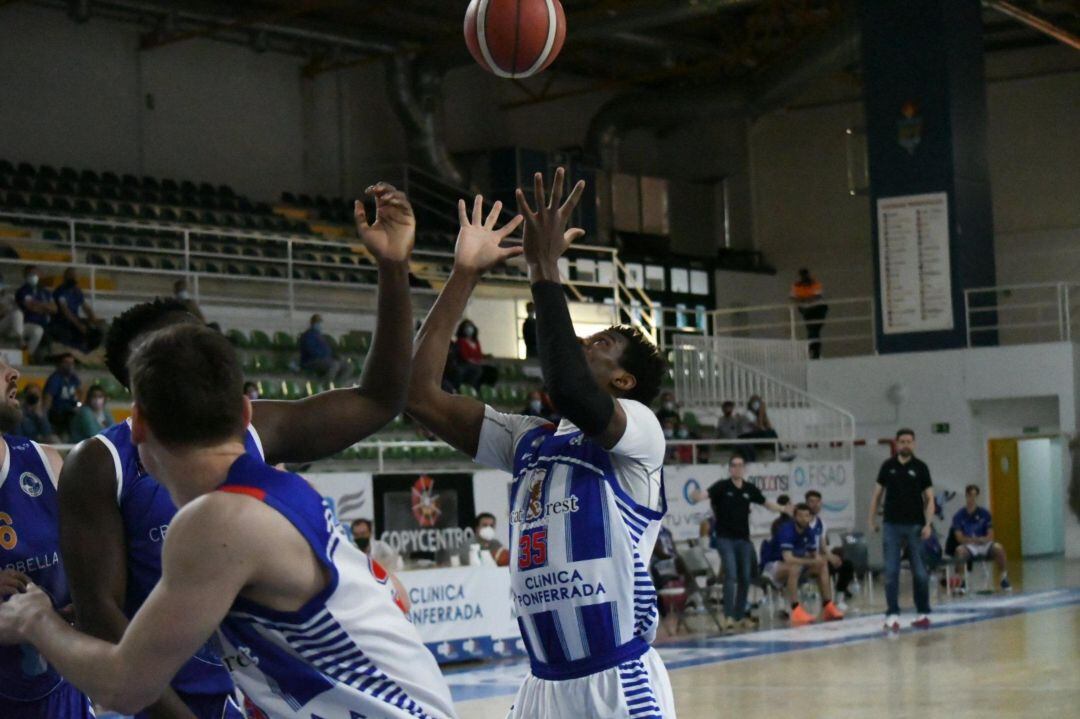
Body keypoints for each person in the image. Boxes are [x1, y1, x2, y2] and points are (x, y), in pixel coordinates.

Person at [57, 182, 417, 719]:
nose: (197, 361)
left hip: (244, 697)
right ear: (137, 400)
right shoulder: (98, 463)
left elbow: (380, 398)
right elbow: (101, 616)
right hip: (146, 704)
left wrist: (393, 267)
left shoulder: (252, 429)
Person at [0, 324, 457, 719]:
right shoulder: (283, 492)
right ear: (246, 412)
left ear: (135, 422)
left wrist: (36, 619)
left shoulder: (213, 524)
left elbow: (126, 685)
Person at [406, 171, 675, 718]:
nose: (583, 341)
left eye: (602, 342)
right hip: (540, 688)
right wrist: (463, 274)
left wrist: (542, 265)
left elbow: (570, 389)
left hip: (615, 681)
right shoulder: (529, 440)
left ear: (624, 383)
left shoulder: (641, 435)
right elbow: (416, 394)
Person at [0, 353, 94, 718]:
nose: (14, 375)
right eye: (0, 367)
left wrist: (87, 605)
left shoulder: (46, 460)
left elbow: (88, 572)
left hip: (60, 694)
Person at [691, 453, 784, 631]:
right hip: (725, 539)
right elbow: (704, 495)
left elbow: (765, 502)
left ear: (744, 468)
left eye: (740, 465)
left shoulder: (749, 489)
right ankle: (728, 616)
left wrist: (783, 509)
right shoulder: (722, 486)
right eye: (734, 465)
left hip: (744, 539)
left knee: (745, 578)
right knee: (731, 575)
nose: (737, 468)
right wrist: (696, 496)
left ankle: (740, 615)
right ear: (729, 468)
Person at [868, 428, 935, 631]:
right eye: (902, 441)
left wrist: (928, 523)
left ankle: (922, 611)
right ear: (897, 444)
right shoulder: (887, 466)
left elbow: (930, 498)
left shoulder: (921, 467)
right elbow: (877, 495)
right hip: (891, 525)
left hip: (915, 525)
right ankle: (892, 614)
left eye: (909, 441)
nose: (906, 444)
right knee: (891, 571)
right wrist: (871, 519)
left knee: (920, 572)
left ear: (914, 444)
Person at [771, 504, 845, 625]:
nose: (804, 519)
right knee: (795, 567)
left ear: (810, 517)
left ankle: (827, 605)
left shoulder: (809, 531)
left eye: (806, 516)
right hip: (774, 567)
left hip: (798, 566)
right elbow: (788, 559)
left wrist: (824, 558)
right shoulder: (786, 530)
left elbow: (814, 556)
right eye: (800, 516)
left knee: (822, 564)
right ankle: (795, 609)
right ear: (794, 517)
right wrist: (811, 561)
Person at [951, 484, 1010, 590]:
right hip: (969, 544)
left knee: (999, 548)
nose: (972, 499)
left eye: (975, 496)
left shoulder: (985, 514)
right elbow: (959, 537)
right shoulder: (958, 516)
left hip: (983, 543)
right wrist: (972, 540)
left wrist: (983, 539)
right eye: (970, 495)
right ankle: (961, 581)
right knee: (959, 551)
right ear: (966, 496)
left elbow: (990, 535)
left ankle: (1004, 578)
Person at [805, 490, 855, 605]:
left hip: (819, 558)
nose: (815, 504)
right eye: (812, 502)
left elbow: (823, 546)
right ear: (806, 503)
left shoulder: (821, 523)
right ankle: (826, 602)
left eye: (818, 502)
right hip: (806, 560)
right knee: (823, 564)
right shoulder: (801, 522)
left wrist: (831, 556)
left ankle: (839, 598)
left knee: (845, 564)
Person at [50, 267, 104, 353]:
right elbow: (65, 311)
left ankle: (87, 352)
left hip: (74, 319)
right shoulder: (60, 291)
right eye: (72, 276)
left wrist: (94, 319)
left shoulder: (76, 291)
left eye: (76, 277)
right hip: (61, 321)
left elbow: (86, 307)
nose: (74, 279)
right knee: (73, 332)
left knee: (96, 332)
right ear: (66, 277)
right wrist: (79, 325)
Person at [14, 265, 55, 360]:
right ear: (25, 275)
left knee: (40, 330)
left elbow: (54, 309)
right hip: (26, 324)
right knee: (37, 330)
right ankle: (23, 348)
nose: (34, 276)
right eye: (31, 274)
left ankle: (27, 355)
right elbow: (31, 307)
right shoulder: (23, 290)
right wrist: (45, 307)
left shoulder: (45, 292)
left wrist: (39, 305)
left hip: (42, 324)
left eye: (36, 273)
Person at [299, 313, 350, 384]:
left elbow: (328, 350)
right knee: (334, 365)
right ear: (312, 323)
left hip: (325, 360)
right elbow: (311, 351)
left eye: (319, 322)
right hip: (312, 361)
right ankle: (326, 385)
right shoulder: (308, 335)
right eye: (317, 322)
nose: (319, 324)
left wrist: (335, 356)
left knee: (347, 365)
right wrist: (325, 357)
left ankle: (339, 385)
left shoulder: (320, 336)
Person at [790, 268, 828, 359]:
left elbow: (817, 297)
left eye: (805, 275)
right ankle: (814, 351)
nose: (804, 278)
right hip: (807, 310)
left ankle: (813, 351)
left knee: (813, 330)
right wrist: (806, 301)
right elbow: (792, 298)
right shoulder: (797, 286)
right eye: (802, 276)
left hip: (818, 309)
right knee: (813, 331)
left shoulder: (815, 284)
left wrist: (804, 300)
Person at [42, 353, 80, 439]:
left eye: (72, 363)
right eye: (66, 362)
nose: (69, 365)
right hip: (58, 413)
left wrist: (78, 405)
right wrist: (45, 415)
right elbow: (48, 399)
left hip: (71, 411)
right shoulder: (55, 379)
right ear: (60, 364)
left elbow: (80, 391)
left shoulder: (73, 378)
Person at [454, 319, 497, 390]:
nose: (469, 329)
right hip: (465, 364)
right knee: (477, 370)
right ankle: (470, 389)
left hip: (476, 363)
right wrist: (474, 361)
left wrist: (485, 357)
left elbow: (479, 355)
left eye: (470, 326)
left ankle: (486, 389)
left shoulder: (476, 342)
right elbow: (464, 356)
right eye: (466, 327)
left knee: (492, 371)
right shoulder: (460, 341)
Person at [737, 394, 778, 461]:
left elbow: (769, 428)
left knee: (772, 432)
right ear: (750, 403)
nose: (757, 404)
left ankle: (780, 452)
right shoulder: (748, 414)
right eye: (755, 401)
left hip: (756, 437)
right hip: (746, 437)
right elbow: (760, 428)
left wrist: (764, 414)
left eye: (758, 402)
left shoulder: (759, 415)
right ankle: (780, 451)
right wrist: (761, 414)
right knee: (767, 433)